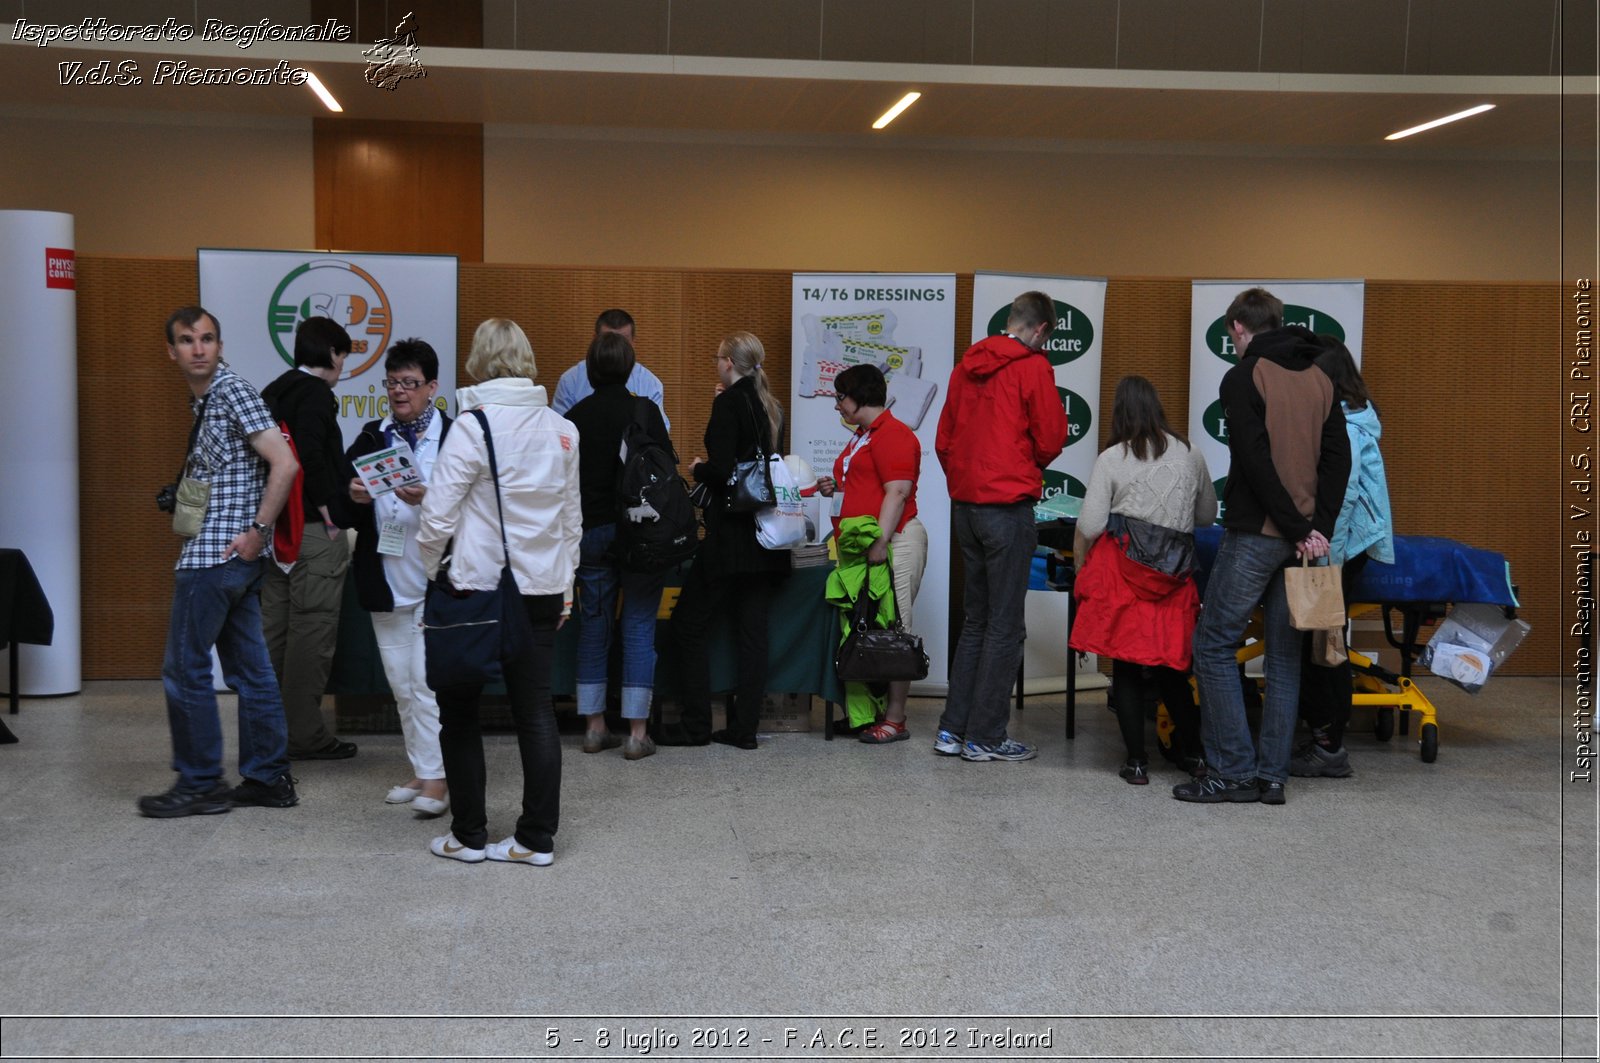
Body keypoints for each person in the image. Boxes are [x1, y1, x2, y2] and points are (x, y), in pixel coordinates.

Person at [1174, 287, 1350, 806]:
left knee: (1211, 645)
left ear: (1238, 328)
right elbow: (1338, 461)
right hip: (1303, 543)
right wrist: (1315, 527)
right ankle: (1272, 777)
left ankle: (1231, 772)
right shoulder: (1322, 378)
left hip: (1258, 536)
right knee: (1285, 659)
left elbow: (1253, 460)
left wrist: (1295, 527)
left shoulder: (1243, 375)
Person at [416, 318, 582, 864]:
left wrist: (430, 568)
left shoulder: (472, 425)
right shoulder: (563, 429)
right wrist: (566, 587)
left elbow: (437, 514)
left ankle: (468, 835)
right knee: (535, 711)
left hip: (477, 590)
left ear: (479, 362)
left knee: (458, 711)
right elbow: (570, 521)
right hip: (542, 590)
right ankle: (536, 839)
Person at [139, 306, 300, 818]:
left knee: (184, 668)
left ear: (220, 346)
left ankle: (201, 782)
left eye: (208, 338)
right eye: (188, 340)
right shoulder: (205, 401)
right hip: (230, 556)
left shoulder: (230, 390)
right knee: (251, 672)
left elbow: (286, 462)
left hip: (217, 555)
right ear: (172, 351)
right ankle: (268, 779)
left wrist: (257, 531)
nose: (199, 348)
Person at [933, 291, 1069, 762]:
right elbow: (1051, 437)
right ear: (1041, 330)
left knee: (977, 622)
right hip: (1007, 507)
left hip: (965, 507)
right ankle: (987, 737)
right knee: (1005, 627)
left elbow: (944, 440)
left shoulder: (965, 365)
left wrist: (965, 483)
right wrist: (1021, 467)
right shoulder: (1032, 367)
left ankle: (952, 730)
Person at [1069, 376, 1216, 784]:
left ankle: (1136, 762)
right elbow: (1205, 515)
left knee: (1128, 669)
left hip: (1124, 576)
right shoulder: (1190, 453)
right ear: (1157, 408)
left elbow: (1093, 523)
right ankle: (1195, 757)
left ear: (1119, 413)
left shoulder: (1113, 458)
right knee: (1172, 670)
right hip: (1174, 576)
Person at [662, 330, 789, 750]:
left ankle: (697, 725)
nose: (716, 363)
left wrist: (698, 468)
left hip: (729, 538)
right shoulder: (771, 407)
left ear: (729, 363)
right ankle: (744, 729)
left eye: (718, 358)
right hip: (765, 539)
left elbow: (722, 470)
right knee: (753, 636)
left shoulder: (728, 405)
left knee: (688, 626)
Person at [344, 339, 453, 814]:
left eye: (409, 383)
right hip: (386, 577)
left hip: (438, 577)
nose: (399, 392)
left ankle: (438, 781)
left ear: (431, 387)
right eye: (391, 383)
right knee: (402, 686)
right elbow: (340, 499)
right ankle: (423, 769)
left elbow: (474, 505)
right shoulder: (372, 436)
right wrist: (353, 495)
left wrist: (428, 498)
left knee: (426, 681)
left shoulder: (454, 437)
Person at [565, 330, 672, 761]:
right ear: (631, 368)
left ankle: (593, 728)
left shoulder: (574, 417)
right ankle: (636, 734)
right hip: (639, 534)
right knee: (640, 626)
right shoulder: (644, 411)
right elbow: (666, 470)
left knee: (593, 627)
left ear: (590, 370)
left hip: (590, 534)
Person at [1291, 338, 1395, 779]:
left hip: (1336, 549)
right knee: (1324, 644)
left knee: (1323, 649)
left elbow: (1343, 497)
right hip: (1340, 547)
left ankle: (1328, 748)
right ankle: (1323, 738)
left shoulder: (1348, 428)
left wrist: (1320, 555)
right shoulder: (1353, 418)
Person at [260, 316, 358, 761]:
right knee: (311, 634)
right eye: (343, 356)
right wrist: (329, 513)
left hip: (276, 532)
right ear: (333, 354)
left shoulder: (274, 388)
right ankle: (304, 734)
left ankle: (266, 730)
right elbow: (312, 457)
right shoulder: (317, 394)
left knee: (274, 633)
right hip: (313, 532)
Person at [815, 364, 927, 743]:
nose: (837, 406)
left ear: (861, 396)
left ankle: (896, 719)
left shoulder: (894, 434)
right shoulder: (863, 436)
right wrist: (838, 487)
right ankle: (871, 714)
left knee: (895, 631)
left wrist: (880, 542)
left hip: (895, 541)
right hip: (870, 546)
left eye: (840, 397)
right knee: (868, 629)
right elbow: (868, 484)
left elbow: (896, 492)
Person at [549, 309, 670, 429]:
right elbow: (559, 432)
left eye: (623, 342)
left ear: (633, 342)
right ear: (595, 340)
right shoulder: (570, 380)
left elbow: (658, 438)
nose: (615, 348)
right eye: (608, 341)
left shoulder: (650, 383)